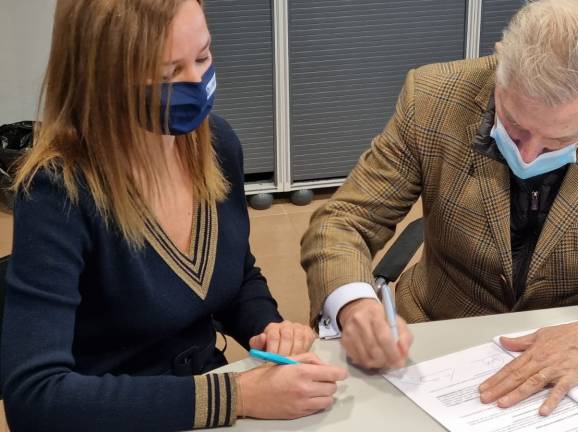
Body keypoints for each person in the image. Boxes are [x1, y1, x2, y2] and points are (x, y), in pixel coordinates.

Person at [301, 0, 578, 416]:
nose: (528, 155)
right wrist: (354, 304)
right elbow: (344, 222)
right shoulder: (433, 97)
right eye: (515, 125)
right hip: (435, 340)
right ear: (502, 67)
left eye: (559, 139)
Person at [1, 0, 346, 430]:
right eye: (169, 75)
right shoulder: (58, 191)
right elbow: (35, 397)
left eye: (203, 57)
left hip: (203, 404)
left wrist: (270, 327)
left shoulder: (218, 145)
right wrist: (237, 396)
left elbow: (236, 276)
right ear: (102, 79)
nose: (198, 83)